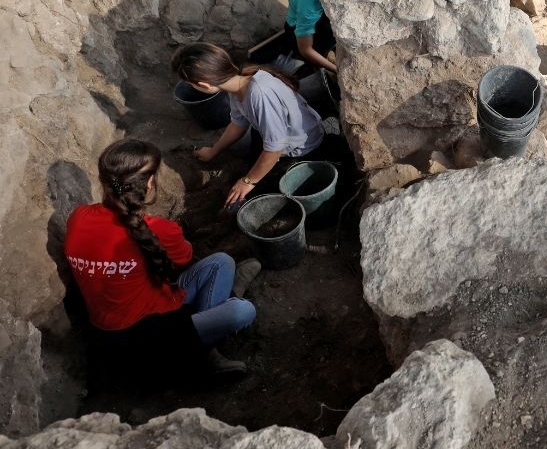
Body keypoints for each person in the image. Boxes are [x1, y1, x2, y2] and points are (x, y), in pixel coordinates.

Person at [65, 139, 258, 376]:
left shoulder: (78, 217)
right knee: (242, 311)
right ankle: (205, 354)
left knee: (222, 262)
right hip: (149, 341)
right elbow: (185, 256)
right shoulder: (159, 229)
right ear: (149, 182)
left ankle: (221, 305)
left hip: (104, 334)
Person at [171, 43, 350, 207]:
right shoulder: (237, 82)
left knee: (258, 197)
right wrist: (214, 150)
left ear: (204, 85)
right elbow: (238, 123)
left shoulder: (259, 95)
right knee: (243, 153)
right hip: (273, 137)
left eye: (191, 85)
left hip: (300, 147)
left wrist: (248, 182)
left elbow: (274, 149)